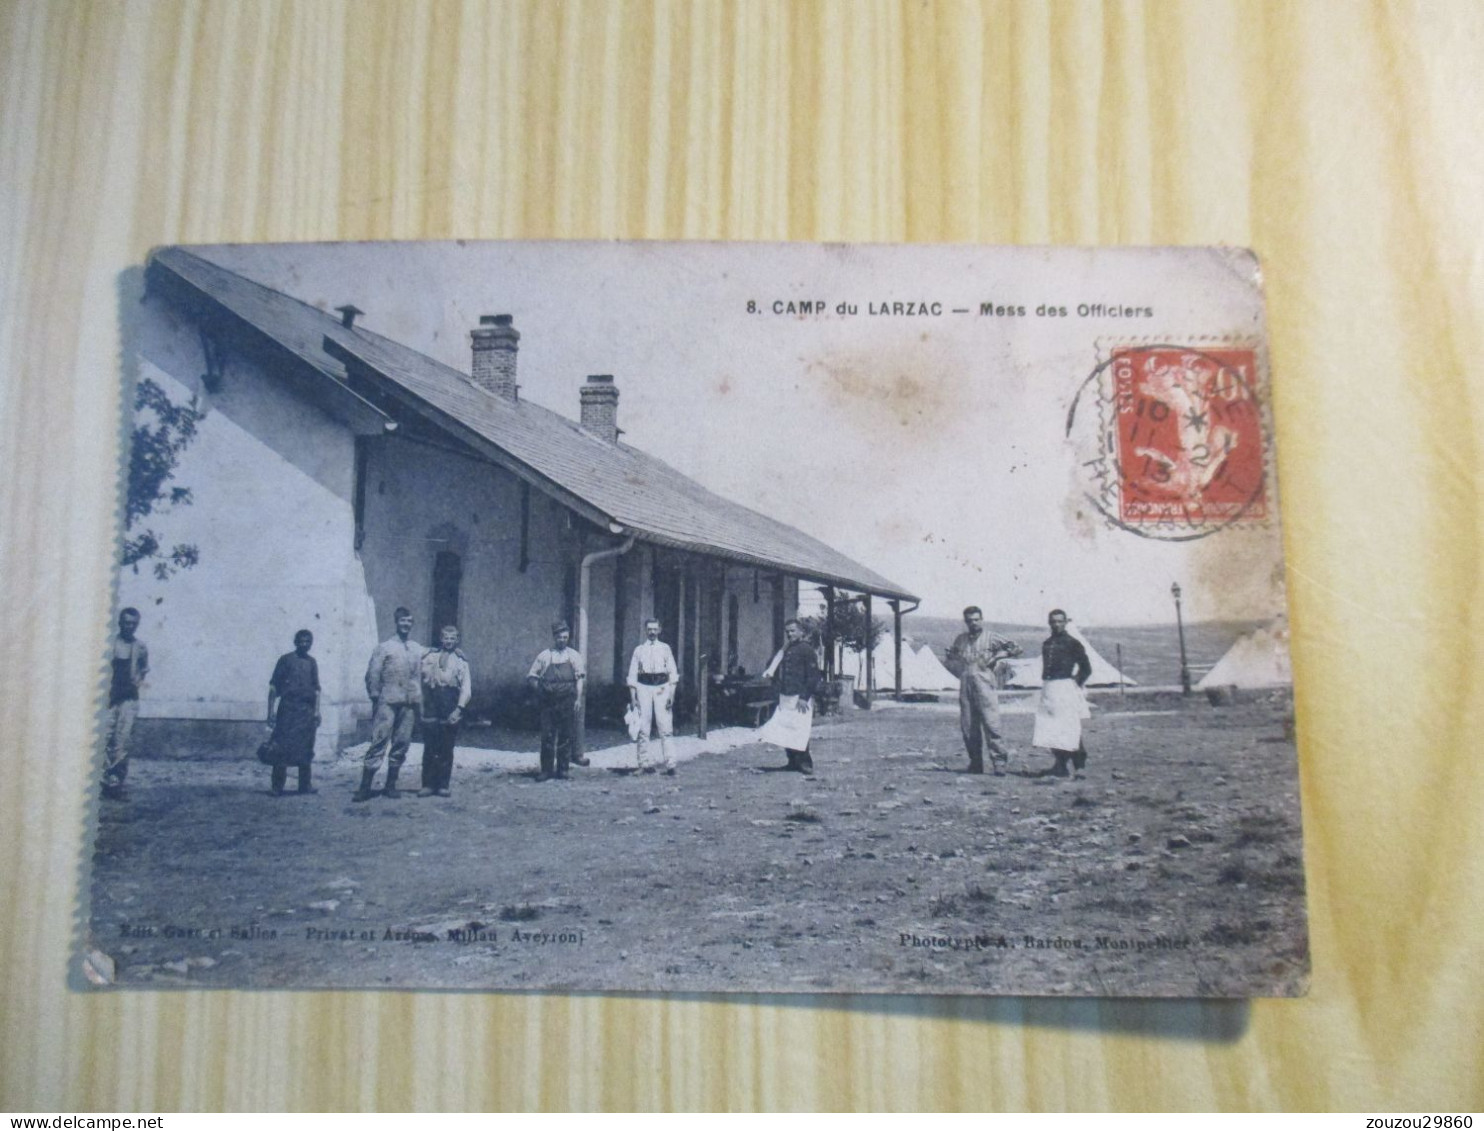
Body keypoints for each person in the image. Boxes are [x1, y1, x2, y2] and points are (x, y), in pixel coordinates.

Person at [355, 606, 424, 802]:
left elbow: (432, 659)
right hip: (387, 702)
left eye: (409, 621)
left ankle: (390, 785)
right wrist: (375, 697)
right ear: (396, 622)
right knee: (379, 740)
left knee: (402, 743)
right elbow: (372, 674)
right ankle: (365, 787)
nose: (406, 625)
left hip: (408, 703)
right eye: (403, 621)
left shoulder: (416, 648)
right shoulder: (384, 647)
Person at [945, 605, 1022, 775]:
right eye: (969, 620)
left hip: (985, 683)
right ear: (965, 621)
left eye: (976, 619)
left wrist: (997, 656)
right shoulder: (961, 639)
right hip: (966, 684)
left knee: (991, 723)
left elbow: (1016, 648)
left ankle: (999, 762)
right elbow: (953, 656)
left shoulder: (991, 637)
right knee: (968, 726)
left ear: (982, 619)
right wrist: (951, 656)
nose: (973, 623)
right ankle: (976, 763)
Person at [1032, 609, 1093, 778]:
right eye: (1053, 621)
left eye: (1060, 621)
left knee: (1069, 727)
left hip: (1065, 688)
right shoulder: (1047, 643)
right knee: (1051, 727)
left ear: (1066, 622)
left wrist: (1075, 683)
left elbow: (1086, 668)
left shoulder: (1073, 643)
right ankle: (1060, 765)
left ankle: (1079, 765)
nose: (1056, 624)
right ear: (1049, 623)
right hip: (1049, 688)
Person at [757, 618, 821, 773]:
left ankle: (805, 763)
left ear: (801, 632)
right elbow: (772, 664)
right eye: (787, 632)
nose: (789, 634)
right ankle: (792, 762)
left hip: (799, 697)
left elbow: (813, 675)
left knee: (800, 730)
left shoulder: (807, 649)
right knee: (786, 730)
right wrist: (783, 648)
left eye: (793, 631)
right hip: (785, 694)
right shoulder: (786, 649)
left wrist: (804, 697)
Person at [264, 629, 321, 796]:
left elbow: (317, 690)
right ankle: (277, 787)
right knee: (281, 748)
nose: (305, 644)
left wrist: (316, 712)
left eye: (308, 641)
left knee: (306, 748)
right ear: (296, 642)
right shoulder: (285, 660)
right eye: (301, 641)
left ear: (311, 643)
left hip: (306, 712)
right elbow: (274, 687)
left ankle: (305, 786)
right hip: (287, 710)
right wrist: (270, 712)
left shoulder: (312, 662)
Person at [526, 620, 585, 781]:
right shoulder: (545, 656)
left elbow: (580, 679)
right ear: (554, 637)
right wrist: (541, 692)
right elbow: (532, 677)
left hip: (567, 700)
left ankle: (563, 770)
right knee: (547, 736)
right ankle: (546, 770)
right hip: (548, 702)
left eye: (565, 637)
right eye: (559, 637)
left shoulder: (574, 656)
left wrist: (578, 699)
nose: (562, 640)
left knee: (566, 735)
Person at [101, 608, 149, 800]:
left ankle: (116, 782)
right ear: (120, 623)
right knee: (104, 738)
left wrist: (136, 681)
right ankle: (103, 780)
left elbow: (144, 668)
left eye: (134, 623)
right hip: (109, 699)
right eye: (126, 622)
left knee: (122, 741)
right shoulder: (108, 644)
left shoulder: (140, 647)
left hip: (129, 700)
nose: (130, 626)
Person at [419, 625, 472, 797]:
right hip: (432, 702)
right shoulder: (429, 656)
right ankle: (427, 784)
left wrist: (459, 709)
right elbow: (421, 680)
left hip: (450, 702)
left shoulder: (461, 661)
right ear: (441, 639)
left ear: (457, 640)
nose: (448, 641)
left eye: (452, 638)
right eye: (445, 638)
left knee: (446, 747)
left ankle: (443, 784)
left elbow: (466, 688)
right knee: (430, 746)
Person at [627, 618, 679, 775]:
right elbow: (632, 676)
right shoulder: (639, 650)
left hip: (662, 688)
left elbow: (673, 674)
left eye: (655, 629)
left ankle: (671, 765)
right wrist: (633, 697)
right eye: (649, 629)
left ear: (659, 630)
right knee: (643, 727)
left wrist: (672, 694)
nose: (652, 632)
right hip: (643, 688)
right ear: (645, 630)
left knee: (665, 727)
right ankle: (644, 763)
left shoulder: (665, 649)